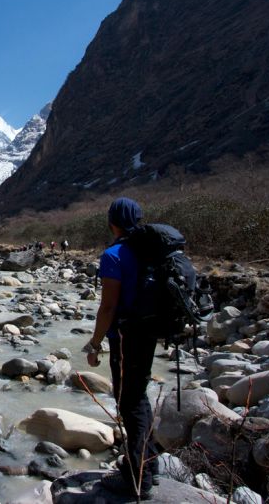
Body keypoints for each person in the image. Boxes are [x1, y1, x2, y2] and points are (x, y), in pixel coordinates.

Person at [83, 197, 158, 499]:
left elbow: (108, 307)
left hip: (126, 337)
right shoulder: (149, 251)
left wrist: (95, 343)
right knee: (139, 397)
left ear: (112, 223)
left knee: (129, 404)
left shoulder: (113, 255)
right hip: (149, 333)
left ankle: (137, 479)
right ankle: (150, 465)